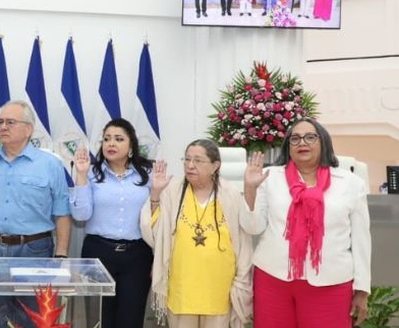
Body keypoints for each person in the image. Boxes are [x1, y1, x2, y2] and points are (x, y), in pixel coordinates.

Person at [241, 118, 371, 328]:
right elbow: (252, 227)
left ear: (324, 143)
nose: (302, 143)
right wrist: (250, 189)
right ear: (288, 146)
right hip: (273, 280)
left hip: (331, 283)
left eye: (310, 137)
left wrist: (362, 288)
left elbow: (361, 240)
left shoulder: (350, 184)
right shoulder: (269, 178)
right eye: (295, 138)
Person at [0, 100, 71, 328]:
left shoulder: (50, 164)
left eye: (10, 122)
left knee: (33, 318)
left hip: (34, 250)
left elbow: (62, 214)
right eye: (0, 122)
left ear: (28, 129)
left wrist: (61, 256)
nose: (3, 127)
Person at [140, 139, 252, 328]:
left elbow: (242, 242)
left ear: (215, 165)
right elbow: (155, 235)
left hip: (219, 287)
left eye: (198, 161)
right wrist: (156, 195)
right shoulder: (172, 191)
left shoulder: (230, 194)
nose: (190, 165)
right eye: (187, 159)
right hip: (182, 286)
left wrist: (241, 281)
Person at [70, 119, 154, 328]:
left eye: (118, 139)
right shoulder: (90, 172)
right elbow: (80, 215)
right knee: (99, 319)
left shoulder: (148, 174)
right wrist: (80, 176)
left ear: (131, 146)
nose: (111, 144)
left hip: (137, 255)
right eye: (106, 139)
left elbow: (158, 218)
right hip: (98, 253)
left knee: (131, 319)